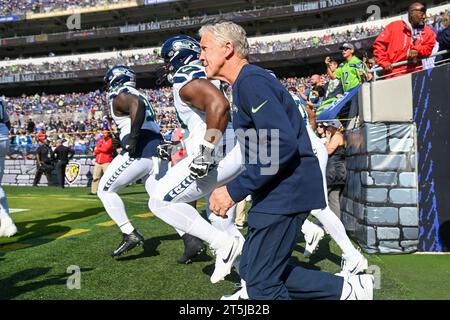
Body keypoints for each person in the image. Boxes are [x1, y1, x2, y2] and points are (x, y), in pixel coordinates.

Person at [202, 21, 373, 300]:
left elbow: (280, 144)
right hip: (276, 190)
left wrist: (233, 190)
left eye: (205, 48)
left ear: (228, 48)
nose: (201, 56)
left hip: (285, 192)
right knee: (253, 269)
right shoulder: (244, 83)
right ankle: (349, 290)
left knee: (261, 284)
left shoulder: (251, 82)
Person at [149, 35, 244, 283]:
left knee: (159, 201)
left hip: (218, 152)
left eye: (168, 59)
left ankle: (223, 245)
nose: (166, 65)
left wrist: (204, 153)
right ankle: (250, 276)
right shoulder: (201, 73)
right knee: (218, 215)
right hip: (229, 147)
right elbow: (204, 120)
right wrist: (180, 144)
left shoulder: (185, 76)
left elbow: (218, 106)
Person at [290, 93, 367, 275]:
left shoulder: (265, 91)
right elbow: (310, 114)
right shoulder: (286, 95)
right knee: (309, 203)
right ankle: (310, 231)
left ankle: (313, 231)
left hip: (310, 152)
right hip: (310, 148)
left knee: (316, 206)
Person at [98, 65, 166, 258]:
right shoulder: (137, 92)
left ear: (115, 79)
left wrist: (133, 137)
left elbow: (137, 105)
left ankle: (129, 233)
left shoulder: (121, 94)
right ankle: (191, 238)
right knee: (162, 199)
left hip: (140, 149)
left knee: (105, 189)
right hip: (156, 147)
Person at [373, 2, 436, 78]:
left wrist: (417, 50)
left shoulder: (427, 31)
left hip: (416, 72)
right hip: (393, 73)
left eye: (425, 14)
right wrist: (383, 61)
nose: (424, 17)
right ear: (412, 13)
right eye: (421, 14)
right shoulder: (394, 26)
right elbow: (379, 45)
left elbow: (429, 47)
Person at [0, 98, 18, 237]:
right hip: (3, 136)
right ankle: (6, 220)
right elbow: (7, 122)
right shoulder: (1, 101)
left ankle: (5, 219)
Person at [323, 120, 347, 218]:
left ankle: (328, 223)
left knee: (324, 197)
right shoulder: (337, 136)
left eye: (328, 127)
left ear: (334, 127)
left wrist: (328, 139)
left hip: (333, 172)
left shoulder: (337, 136)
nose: (326, 129)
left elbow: (328, 151)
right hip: (337, 171)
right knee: (333, 199)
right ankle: (336, 224)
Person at [90, 130, 113, 195]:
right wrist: (99, 149)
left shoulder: (110, 140)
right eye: (103, 133)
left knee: (107, 177)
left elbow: (106, 150)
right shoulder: (100, 140)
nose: (103, 134)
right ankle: (94, 191)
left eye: (105, 133)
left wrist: (98, 148)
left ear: (108, 134)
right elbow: (95, 151)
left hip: (106, 162)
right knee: (95, 177)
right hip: (98, 161)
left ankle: (108, 191)